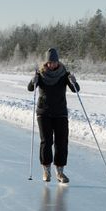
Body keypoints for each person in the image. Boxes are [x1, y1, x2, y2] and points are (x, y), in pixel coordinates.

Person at [28, 48, 79, 183]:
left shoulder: (64, 74)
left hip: (60, 113)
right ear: (46, 63)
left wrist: (74, 81)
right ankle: (46, 171)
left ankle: (60, 172)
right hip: (44, 113)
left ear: (58, 61)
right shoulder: (40, 74)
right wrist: (33, 81)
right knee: (46, 141)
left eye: (55, 62)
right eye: (50, 62)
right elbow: (30, 88)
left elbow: (75, 90)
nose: (52, 64)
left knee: (61, 142)